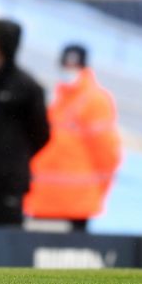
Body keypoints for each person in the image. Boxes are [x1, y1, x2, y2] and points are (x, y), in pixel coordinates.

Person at [24, 44, 120, 232]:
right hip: (44, 198)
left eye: (73, 67)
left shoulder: (95, 100)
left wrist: (100, 189)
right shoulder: (57, 98)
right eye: (66, 66)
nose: (69, 71)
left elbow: (108, 153)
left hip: (77, 201)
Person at [0, 20, 50, 226]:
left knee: (5, 242)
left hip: (8, 182)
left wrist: (12, 157)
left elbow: (41, 134)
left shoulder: (27, 87)